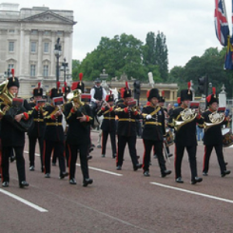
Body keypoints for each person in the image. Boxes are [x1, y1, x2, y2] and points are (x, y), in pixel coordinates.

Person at [0, 70, 32, 188]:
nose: (14, 91)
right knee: (5, 156)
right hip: (6, 131)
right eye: (12, 89)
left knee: (19, 156)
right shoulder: (2, 101)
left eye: (16, 89)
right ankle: (5, 179)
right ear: (7, 90)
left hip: (18, 132)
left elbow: (31, 111)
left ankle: (22, 180)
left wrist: (23, 115)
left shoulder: (22, 101)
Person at [168, 82, 203, 184]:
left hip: (191, 137)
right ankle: (178, 176)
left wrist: (198, 115)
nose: (188, 102)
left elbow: (201, 123)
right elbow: (170, 123)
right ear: (182, 100)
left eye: (189, 100)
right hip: (180, 137)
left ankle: (194, 176)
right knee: (179, 157)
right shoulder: (176, 111)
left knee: (193, 158)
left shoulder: (193, 111)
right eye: (186, 100)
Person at [64, 81, 93, 187]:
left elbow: (92, 120)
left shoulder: (86, 107)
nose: (77, 97)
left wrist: (86, 118)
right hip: (73, 135)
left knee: (83, 157)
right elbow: (68, 120)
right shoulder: (68, 106)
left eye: (79, 95)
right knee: (73, 157)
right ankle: (72, 177)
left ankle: (86, 177)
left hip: (83, 135)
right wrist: (73, 110)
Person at [200, 87, 231, 177]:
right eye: (214, 104)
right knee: (207, 155)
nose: (215, 105)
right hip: (209, 137)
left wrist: (226, 119)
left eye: (216, 104)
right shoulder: (205, 114)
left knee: (220, 155)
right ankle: (205, 170)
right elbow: (201, 124)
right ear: (210, 105)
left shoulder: (218, 114)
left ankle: (223, 171)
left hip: (217, 136)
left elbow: (223, 122)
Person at [141, 88, 172, 177]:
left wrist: (164, 135)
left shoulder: (160, 110)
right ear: (150, 99)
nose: (155, 100)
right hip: (148, 133)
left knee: (160, 153)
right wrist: (146, 116)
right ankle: (145, 169)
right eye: (154, 99)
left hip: (158, 134)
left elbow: (162, 123)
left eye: (156, 99)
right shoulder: (146, 108)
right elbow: (142, 114)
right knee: (147, 152)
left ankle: (163, 170)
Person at [43, 82, 68, 179]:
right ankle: (47, 171)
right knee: (47, 153)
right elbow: (46, 118)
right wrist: (54, 114)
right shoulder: (47, 107)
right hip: (50, 131)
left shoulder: (62, 108)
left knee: (61, 153)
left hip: (59, 132)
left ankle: (62, 171)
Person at [115, 82, 142, 171]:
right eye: (127, 98)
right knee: (121, 148)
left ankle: (135, 164)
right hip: (122, 129)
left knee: (132, 148)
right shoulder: (120, 105)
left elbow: (139, 116)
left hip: (132, 130)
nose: (128, 99)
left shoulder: (134, 106)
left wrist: (135, 112)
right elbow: (117, 113)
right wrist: (126, 109)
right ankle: (119, 164)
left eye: (129, 97)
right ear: (124, 99)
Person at [27, 82, 46, 172]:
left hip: (42, 128)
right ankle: (31, 163)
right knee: (32, 147)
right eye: (37, 97)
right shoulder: (30, 105)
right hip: (32, 128)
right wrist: (35, 108)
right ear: (34, 97)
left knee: (42, 147)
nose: (38, 98)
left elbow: (45, 117)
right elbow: (29, 115)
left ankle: (43, 164)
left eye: (39, 97)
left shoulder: (44, 106)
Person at [97, 92, 117, 158]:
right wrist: (102, 108)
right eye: (110, 102)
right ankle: (103, 152)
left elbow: (115, 113)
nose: (111, 103)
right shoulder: (104, 108)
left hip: (112, 124)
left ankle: (114, 153)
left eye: (112, 101)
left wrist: (110, 108)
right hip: (105, 124)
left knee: (113, 140)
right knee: (104, 140)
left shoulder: (115, 107)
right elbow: (98, 114)